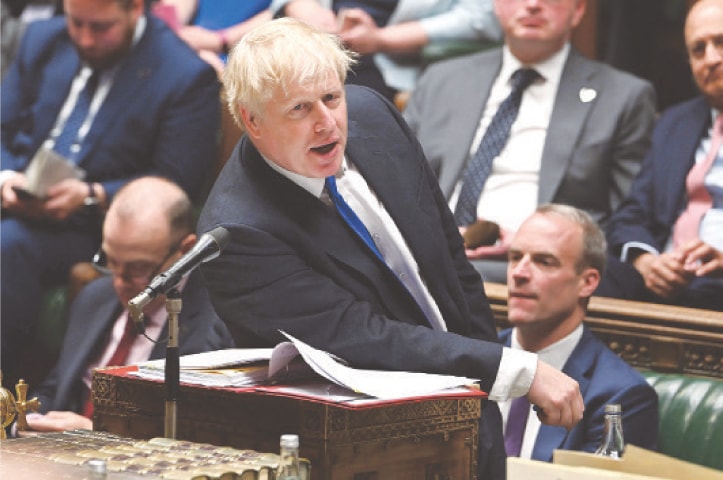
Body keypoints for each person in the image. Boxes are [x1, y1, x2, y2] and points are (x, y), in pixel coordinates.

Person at [197, 18, 584, 479]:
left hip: (469, 408)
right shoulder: (239, 231)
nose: (327, 124)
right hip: (365, 451)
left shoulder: (371, 114)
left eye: (331, 97)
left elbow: (451, 262)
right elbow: (363, 336)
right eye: (299, 109)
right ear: (252, 120)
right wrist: (511, 370)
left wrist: (483, 401)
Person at [0, 0, 221, 390]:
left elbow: (176, 182)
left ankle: (7, 393)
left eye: (100, 27)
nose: (85, 38)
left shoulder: (184, 75)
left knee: (9, 245)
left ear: (136, 9)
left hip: (97, 227)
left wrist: (94, 195)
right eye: (76, 22)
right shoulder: (41, 40)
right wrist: (5, 179)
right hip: (15, 197)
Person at [403, 0, 656, 283]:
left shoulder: (623, 97)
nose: (533, 5)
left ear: (579, 11)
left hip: (530, 269)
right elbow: (397, 180)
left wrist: (539, 243)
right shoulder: (443, 79)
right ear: (497, 5)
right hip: (430, 251)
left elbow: (628, 214)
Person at [20, 176, 234, 434]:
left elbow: (203, 433)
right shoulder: (94, 297)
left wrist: (95, 434)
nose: (120, 282)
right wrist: (25, 422)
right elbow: (56, 390)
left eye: (138, 268)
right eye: (111, 261)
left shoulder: (219, 324)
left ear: (185, 251)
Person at [499, 204, 658, 461]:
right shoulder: (474, 359)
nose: (519, 273)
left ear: (588, 282)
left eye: (543, 261)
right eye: (515, 257)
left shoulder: (620, 397)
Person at [597, 0, 723, 311]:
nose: (711, 58)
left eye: (721, 42)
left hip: (715, 281)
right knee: (582, 273)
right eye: (698, 49)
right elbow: (631, 215)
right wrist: (646, 261)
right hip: (665, 275)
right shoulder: (673, 123)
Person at [270, 0, 502, 102]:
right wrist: (305, 8)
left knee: (348, 105)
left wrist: (381, 40)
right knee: (264, 88)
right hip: (310, 42)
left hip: (388, 61)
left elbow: (480, 17)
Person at [152, 0, 272, 75]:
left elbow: (283, 13)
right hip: (189, 50)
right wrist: (177, 37)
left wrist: (219, 41)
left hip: (247, 60)